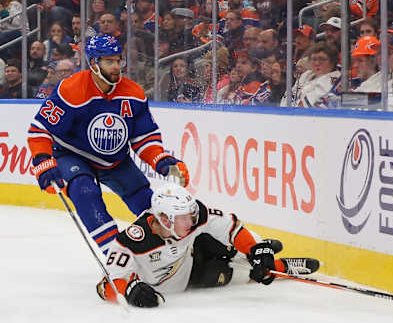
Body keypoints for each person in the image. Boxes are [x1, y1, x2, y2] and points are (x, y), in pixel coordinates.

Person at [27, 35, 190, 255]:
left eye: (118, 60)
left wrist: (161, 161)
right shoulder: (71, 89)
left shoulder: (133, 93)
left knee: (145, 199)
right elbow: (40, 129)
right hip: (72, 154)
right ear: (94, 63)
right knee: (83, 190)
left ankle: (172, 250)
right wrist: (43, 161)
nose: (116, 67)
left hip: (115, 160)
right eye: (109, 61)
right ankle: (115, 253)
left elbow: (144, 137)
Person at [96, 182, 320, 308]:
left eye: (191, 215)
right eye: (184, 217)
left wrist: (256, 249)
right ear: (164, 218)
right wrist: (131, 291)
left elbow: (231, 227)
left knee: (220, 241)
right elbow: (106, 285)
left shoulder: (193, 219)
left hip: (196, 248)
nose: (191, 221)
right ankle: (281, 267)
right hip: (190, 277)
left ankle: (260, 252)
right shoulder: (132, 240)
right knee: (232, 274)